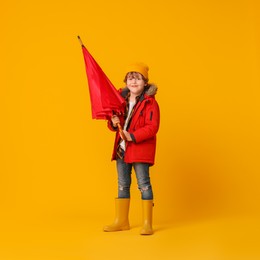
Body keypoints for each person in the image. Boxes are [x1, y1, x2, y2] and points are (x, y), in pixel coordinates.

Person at [103, 62, 160, 235]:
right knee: (122, 184)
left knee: (143, 184)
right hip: (122, 148)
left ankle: (147, 223)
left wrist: (133, 136)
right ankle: (122, 221)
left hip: (140, 150)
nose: (133, 81)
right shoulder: (120, 101)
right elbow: (115, 124)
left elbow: (152, 127)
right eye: (130, 78)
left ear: (145, 82)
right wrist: (113, 123)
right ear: (126, 81)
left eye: (137, 78)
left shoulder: (150, 103)